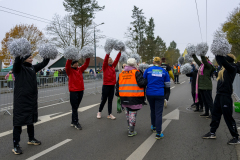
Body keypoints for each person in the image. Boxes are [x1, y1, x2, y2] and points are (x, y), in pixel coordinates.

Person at [12, 55, 50, 155]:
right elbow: (16, 63)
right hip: (21, 100)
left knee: (31, 120)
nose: (32, 59)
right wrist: (20, 54)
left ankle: (31, 139)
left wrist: (48, 56)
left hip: (31, 99)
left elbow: (43, 64)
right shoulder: (18, 68)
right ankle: (16, 145)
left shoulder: (32, 67)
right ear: (24, 58)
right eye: (30, 58)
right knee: (18, 123)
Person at [202, 54, 240, 145]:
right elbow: (220, 61)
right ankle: (212, 132)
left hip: (226, 95)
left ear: (228, 60)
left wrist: (218, 53)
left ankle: (236, 137)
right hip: (219, 95)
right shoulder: (223, 68)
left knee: (228, 117)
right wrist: (216, 54)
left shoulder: (232, 68)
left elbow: (222, 61)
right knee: (215, 114)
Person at [116, 58, 147, 136]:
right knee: (133, 112)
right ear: (134, 64)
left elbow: (117, 86)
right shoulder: (136, 72)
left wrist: (118, 95)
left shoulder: (121, 74)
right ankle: (131, 131)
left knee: (127, 112)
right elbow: (141, 84)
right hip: (134, 96)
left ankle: (129, 127)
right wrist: (146, 80)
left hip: (124, 97)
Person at [144, 57, 170, 139]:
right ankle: (158, 133)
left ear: (153, 62)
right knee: (159, 113)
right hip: (159, 93)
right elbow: (168, 85)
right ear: (160, 63)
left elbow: (143, 81)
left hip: (149, 93)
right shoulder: (164, 71)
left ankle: (153, 126)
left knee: (152, 110)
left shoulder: (148, 70)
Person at [65, 58, 90, 130]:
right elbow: (67, 65)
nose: (76, 64)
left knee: (76, 107)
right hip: (73, 91)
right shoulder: (69, 70)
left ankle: (73, 121)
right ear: (72, 64)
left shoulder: (80, 69)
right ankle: (76, 122)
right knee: (75, 107)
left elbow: (86, 65)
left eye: (77, 63)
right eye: (75, 63)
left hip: (81, 90)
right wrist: (70, 57)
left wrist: (88, 57)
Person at [97, 51, 121, 119]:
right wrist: (108, 52)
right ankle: (99, 112)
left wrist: (120, 52)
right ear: (106, 61)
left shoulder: (113, 66)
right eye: (109, 60)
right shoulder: (105, 67)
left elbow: (116, 59)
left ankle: (109, 114)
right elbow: (105, 60)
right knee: (104, 100)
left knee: (110, 100)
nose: (110, 61)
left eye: (111, 60)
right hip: (106, 85)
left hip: (112, 85)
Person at [192, 54, 215, 119]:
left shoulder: (208, 66)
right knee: (205, 101)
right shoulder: (202, 66)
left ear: (207, 60)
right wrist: (194, 55)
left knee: (209, 101)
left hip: (207, 86)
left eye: (205, 60)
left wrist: (202, 53)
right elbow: (197, 61)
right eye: (202, 60)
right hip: (201, 87)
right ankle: (206, 113)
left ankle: (213, 114)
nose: (202, 61)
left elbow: (205, 62)